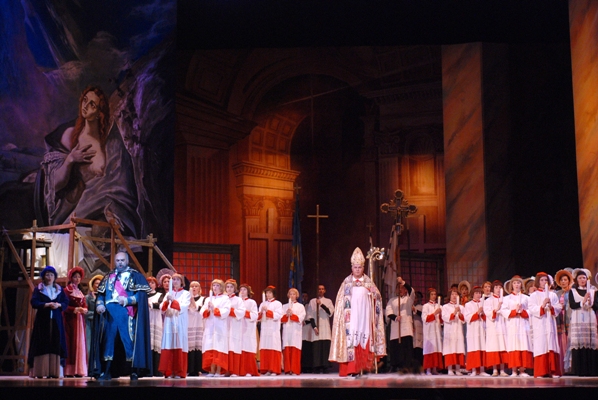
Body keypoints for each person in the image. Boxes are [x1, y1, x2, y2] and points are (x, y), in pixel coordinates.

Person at [41, 86, 139, 238]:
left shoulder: (111, 143)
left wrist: (110, 206)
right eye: (85, 100)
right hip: (78, 210)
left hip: (104, 210)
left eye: (92, 104)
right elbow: (54, 185)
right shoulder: (69, 136)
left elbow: (118, 184)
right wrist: (70, 160)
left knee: (102, 232)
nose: (85, 106)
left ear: (100, 113)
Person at [90, 252, 152, 380]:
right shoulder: (108, 277)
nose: (120, 263)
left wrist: (128, 300)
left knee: (129, 341)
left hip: (126, 312)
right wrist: (99, 305)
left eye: (122, 260)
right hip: (109, 313)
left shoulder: (135, 276)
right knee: (108, 341)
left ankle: (133, 371)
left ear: (127, 261)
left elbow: (141, 296)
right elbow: (101, 295)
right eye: (117, 260)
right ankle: (107, 370)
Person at [329, 247, 386, 377]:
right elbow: (340, 303)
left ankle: (364, 367)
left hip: (365, 317)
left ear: (363, 268)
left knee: (364, 338)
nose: (357, 270)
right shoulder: (346, 283)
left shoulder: (369, 282)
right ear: (352, 268)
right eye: (355, 267)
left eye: (360, 267)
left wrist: (374, 295)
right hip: (351, 318)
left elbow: (378, 299)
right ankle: (352, 369)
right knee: (352, 340)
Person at [28, 266, 69, 378]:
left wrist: (59, 305)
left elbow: (65, 302)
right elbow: (34, 302)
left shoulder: (59, 290)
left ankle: (55, 371)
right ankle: (41, 371)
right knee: (42, 342)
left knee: (56, 342)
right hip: (43, 320)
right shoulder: (39, 289)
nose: (50, 277)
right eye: (47, 275)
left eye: (52, 275)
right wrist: (46, 305)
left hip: (56, 320)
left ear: (55, 277)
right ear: (43, 277)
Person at [528, 272, 562, 378]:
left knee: (551, 344)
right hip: (540, 323)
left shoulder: (553, 295)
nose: (544, 282)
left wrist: (551, 307)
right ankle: (541, 371)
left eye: (546, 280)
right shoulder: (533, 295)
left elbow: (558, 307)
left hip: (550, 322)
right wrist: (542, 305)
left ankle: (553, 371)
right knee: (541, 345)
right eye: (542, 280)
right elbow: (532, 308)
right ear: (538, 282)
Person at [159, 273, 191, 378]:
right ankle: (169, 371)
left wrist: (173, 301)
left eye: (177, 279)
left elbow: (184, 306)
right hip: (169, 320)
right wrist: (166, 302)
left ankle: (179, 371)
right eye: (174, 279)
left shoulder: (186, 293)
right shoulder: (169, 293)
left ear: (181, 282)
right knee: (169, 343)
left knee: (179, 343)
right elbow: (162, 308)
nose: (175, 281)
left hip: (179, 320)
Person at [568, 269, 598, 376]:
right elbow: (572, 305)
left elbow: (596, 306)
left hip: (589, 317)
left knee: (590, 342)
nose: (582, 280)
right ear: (576, 280)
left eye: (584, 278)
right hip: (578, 318)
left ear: (587, 279)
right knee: (579, 342)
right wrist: (583, 301)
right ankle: (579, 370)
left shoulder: (593, 291)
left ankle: (592, 370)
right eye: (580, 278)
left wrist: (591, 302)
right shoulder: (572, 291)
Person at [501, 275, 533, 377]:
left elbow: (531, 310)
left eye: (518, 283)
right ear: (512, 285)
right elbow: (503, 311)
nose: (516, 285)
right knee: (514, 346)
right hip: (512, 324)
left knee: (523, 345)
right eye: (514, 283)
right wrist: (515, 311)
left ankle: (523, 370)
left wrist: (522, 311)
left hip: (523, 324)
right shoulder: (506, 299)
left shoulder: (526, 298)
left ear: (521, 284)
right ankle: (514, 370)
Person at [385, 276, 416, 373]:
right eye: (399, 288)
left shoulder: (408, 299)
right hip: (396, 327)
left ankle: (406, 366)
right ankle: (395, 366)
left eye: (402, 288)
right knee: (396, 349)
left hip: (406, 328)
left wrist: (402, 282)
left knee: (406, 349)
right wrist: (395, 317)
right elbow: (388, 311)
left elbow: (412, 291)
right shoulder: (392, 300)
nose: (400, 290)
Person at [201, 279, 231, 377]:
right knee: (210, 347)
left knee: (219, 347)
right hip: (210, 326)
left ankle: (218, 370)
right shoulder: (208, 299)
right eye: (214, 285)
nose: (215, 287)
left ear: (221, 287)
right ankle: (211, 370)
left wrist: (215, 309)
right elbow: (202, 311)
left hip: (220, 327)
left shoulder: (225, 298)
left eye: (217, 285)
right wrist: (207, 310)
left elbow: (226, 311)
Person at [63, 266, 88, 377]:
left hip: (80, 320)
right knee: (71, 343)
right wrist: (74, 309)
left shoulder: (80, 292)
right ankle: (69, 370)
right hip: (70, 320)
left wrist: (85, 309)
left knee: (79, 343)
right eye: (75, 277)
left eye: (79, 277)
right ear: (71, 278)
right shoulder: (67, 290)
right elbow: (64, 306)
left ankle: (79, 369)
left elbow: (84, 305)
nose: (77, 279)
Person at [305, 284, 335, 373]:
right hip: (316, 327)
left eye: (322, 289)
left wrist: (321, 304)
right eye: (319, 289)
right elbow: (310, 315)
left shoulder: (328, 301)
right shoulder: (312, 301)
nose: (321, 291)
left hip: (325, 326)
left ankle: (325, 366)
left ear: (324, 291)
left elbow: (330, 313)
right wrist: (314, 327)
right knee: (317, 347)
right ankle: (317, 366)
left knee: (325, 346)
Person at [484, 280, 508, 376]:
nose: (498, 289)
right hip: (493, 327)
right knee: (494, 347)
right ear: (493, 289)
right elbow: (488, 312)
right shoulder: (488, 301)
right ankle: (494, 369)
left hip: (503, 326)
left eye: (500, 288)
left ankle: (502, 370)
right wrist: (496, 309)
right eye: (496, 287)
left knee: (502, 346)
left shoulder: (505, 300)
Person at [258, 285, 283, 376]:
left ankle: (274, 369)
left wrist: (267, 311)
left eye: (269, 293)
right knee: (265, 346)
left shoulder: (278, 304)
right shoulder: (262, 304)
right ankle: (265, 368)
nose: (268, 294)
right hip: (265, 328)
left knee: (273, 347)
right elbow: (258, 317)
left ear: (273, 294)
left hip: (273, 329)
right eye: (266, 293)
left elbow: (278, 315)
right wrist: (261, 313)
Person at [464, 286, 488, 376]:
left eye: (479, 293)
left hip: (481, 329)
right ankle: (473, 370)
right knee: (473, 348)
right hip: (473, 330)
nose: (478, 295)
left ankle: (482, 370)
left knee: (482, 347)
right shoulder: (468, 305)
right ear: (473, 294)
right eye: (476, 293)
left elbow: (487, 318)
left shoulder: (484, 304)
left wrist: (483, 314)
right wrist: (477, 312)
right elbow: (467, 317)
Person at [281, 288, 306, 375]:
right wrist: (286, 315)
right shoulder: (284, 306)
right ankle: (288, 369)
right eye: (290, 294)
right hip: (287, 330)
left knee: (295, 348)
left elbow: (301, 317)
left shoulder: (300, 306)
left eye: (294, 294)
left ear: (296, 296)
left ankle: (295, 369)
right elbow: (281, 319)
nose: (292, 296)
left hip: (295, 330)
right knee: (287, 348)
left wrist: (292, 315)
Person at [442, 289, 465, 376]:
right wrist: (454, 312)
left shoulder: (461, 307)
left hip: (458, 330)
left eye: (456, 294)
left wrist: (459, 313)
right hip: (449, 331)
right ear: (449, 296)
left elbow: (464, 320)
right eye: (452, 294)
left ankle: (458, 369)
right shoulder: (445, 307)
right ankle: (450, 369)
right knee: (450, 349)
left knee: (459, 348)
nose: (454, 296)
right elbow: (445, 318)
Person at [225, 278, 245, 377]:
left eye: (231, 287)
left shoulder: (238, 300)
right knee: (225, 346)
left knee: (234, 346)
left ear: (235, 289)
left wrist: (231, 310)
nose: (229, 289)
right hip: (224, 325)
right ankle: (225, 370)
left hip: (234, 325)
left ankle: (234, 370)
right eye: (227, 287)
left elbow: (241, 312)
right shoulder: (223, 299)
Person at [555, 269, 573, 374]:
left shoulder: (572, 292)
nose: (563, 282)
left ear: (569, 281)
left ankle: (571, 367)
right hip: (560, 320)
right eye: (561, 280)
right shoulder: (557, 293)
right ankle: (562, 368)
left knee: (570, 340)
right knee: (561, 341)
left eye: (565, 280)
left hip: (569, 319)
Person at [239, 283, 259, 376]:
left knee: (248, 347)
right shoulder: (237, 301)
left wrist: (244, 312)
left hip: (248, 327)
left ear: (248, 291)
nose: (242, 291)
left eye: (244, 289)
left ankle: (249, 370)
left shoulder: (252, 302)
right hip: (238, 328)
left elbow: (255, 315)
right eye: (241, 289)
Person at [422, 288, 443, 375]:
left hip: (437, 330)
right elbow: (425, 318)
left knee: (436, 348)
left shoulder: (439, 306)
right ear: (429, 296)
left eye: (435, 294)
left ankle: (434, 368)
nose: (434, 296)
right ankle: (428, 369)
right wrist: (434, 313)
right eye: (432, 294)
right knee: (429, 349)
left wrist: (440, 314)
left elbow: (442, 320)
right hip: (429, 331)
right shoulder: (426, 306)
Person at [146, 276, 164, 376]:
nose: (150, 285)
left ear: (156, 285)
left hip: (156, 321)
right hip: (146, 320)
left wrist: (150, 304)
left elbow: (161, 306)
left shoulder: (160, 295)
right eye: (149, 283)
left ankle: (156, 370)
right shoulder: (143, 295)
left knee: (156, 344)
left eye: (152, 283)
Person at [187, 281, 206, 376]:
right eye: (192, 286)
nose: (194, 288)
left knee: (198, 346)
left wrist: (194, 303)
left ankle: (198, 369)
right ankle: (189, 369)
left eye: (196, 286)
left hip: (199, 324)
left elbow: (203, 310)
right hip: (188, 324)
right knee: (189, 346)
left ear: (199, 289)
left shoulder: (203, 299)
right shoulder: (186, 299)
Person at [85, 274, 103, 364]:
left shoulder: (103, 297)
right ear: (92, 285)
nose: (98, 285)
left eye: (100, 283)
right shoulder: (88, 298)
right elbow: (85, 312)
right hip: (90, 324)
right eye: (96, 283)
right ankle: (89, 365)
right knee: (89, 344)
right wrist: (96, 314)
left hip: (101, 323)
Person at [412, 291, 424, 370]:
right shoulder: (410, 306)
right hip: (412, 329)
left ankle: (420, 366)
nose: (415, 300)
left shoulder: (421, 307)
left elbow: (422, 314)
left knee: (419, 348)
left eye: (416, 298)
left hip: (419, 328)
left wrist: (415, 310)